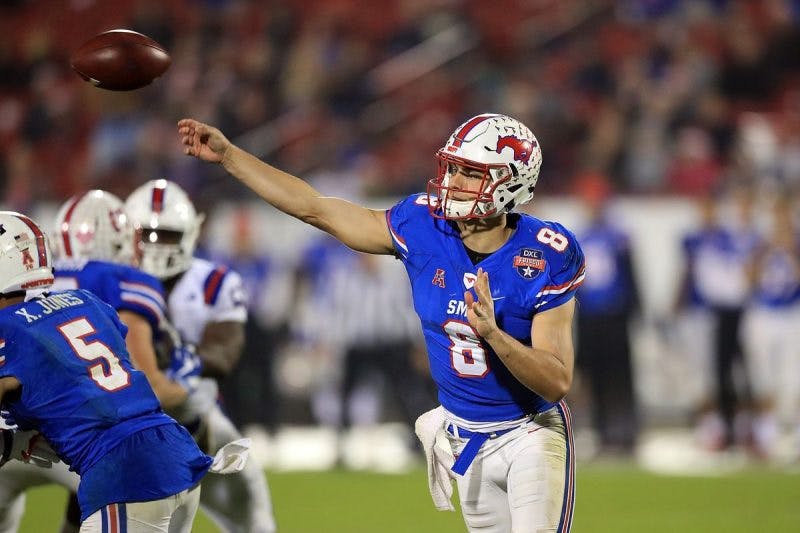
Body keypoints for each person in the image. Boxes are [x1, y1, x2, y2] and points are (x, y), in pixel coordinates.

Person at [178, 112, 584, 532]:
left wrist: (494, 336)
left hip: (530, 434)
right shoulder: (425, 225)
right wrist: (230, 157)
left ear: (512, 183)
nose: (454, 182)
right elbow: (316, 210)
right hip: (466, 439)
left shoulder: (544, 254)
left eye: (472, 173)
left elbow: (555, 381)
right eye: (454, 168)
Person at [0, 190, 203, 533]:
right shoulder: (87, 303)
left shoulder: (8, 329)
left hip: (125, 475)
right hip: (176, 454)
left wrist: (8, 440)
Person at [125, 179, 277, 533]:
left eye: (166, 235)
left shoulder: (213, 282)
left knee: (253, 509)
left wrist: (187, 361)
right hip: (124, 427)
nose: (155, 245)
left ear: (191, 233)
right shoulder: (111, 281)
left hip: (195, 422)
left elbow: (225, 351)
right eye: (147, 233)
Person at [574, 173, 641, 456]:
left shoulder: (618, 237)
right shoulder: (579, 239)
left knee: (622, 375)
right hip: (590, 318)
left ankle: (628, 430)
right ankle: (603, 432)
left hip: (615, 316)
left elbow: (631, 277)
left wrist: (635, 309)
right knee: (596, 376)